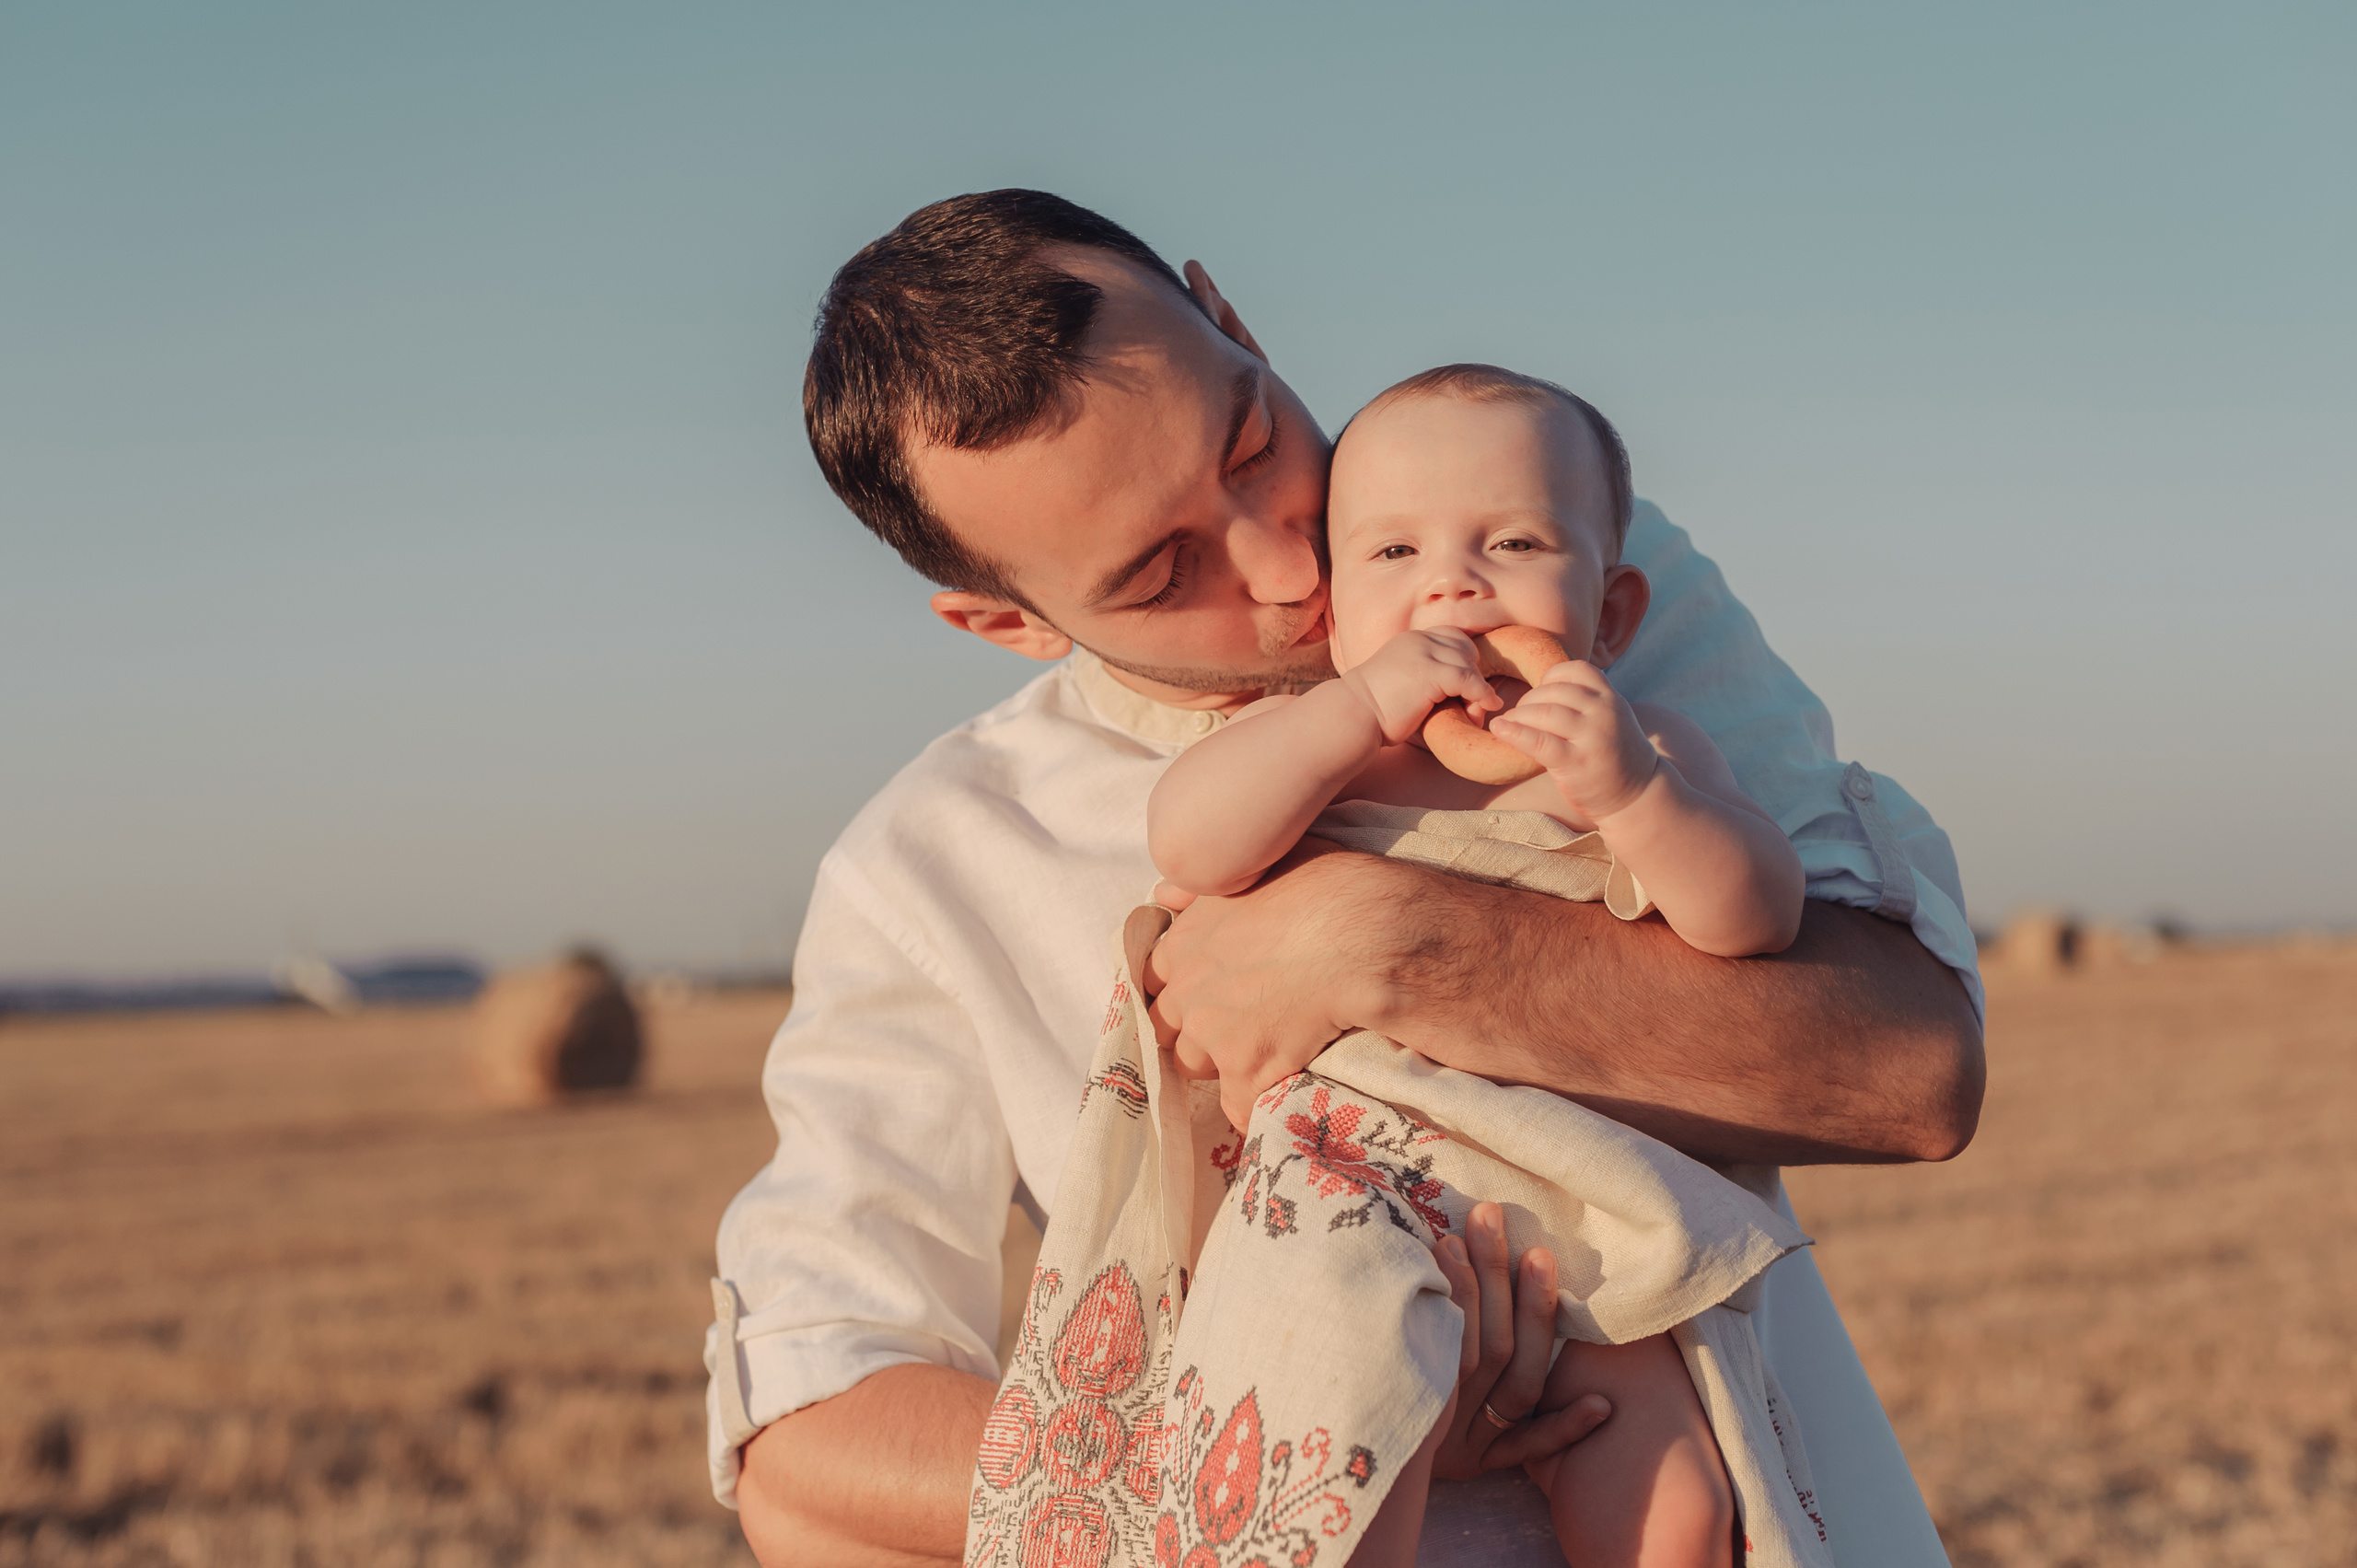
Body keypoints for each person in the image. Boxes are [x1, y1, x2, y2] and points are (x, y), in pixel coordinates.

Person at [706, 189, 1983, 1567]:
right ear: (1007, 622)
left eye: (1251, 443)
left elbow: (1910, 1073)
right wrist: (1333, 1413)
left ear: (1234, 319)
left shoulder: (1545, 570)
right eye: (1157, 573)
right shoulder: (937, 862)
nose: (1283, 562)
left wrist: (1387, 944)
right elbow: (805, 1443)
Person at [1147, 362, 1808, 1565]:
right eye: (1394, 556)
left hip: (1587, 1204)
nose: (1455, 581)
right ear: (1336, 618)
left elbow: (1757, 917)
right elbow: (1187, 838)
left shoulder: (1645, 751)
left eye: (1511, 541)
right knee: (1340, 1462)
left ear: (1608, 616)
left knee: (1681, 1510)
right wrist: (1354, 713)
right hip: (1358, 1197)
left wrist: (1640, 799)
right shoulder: (1323, 758)